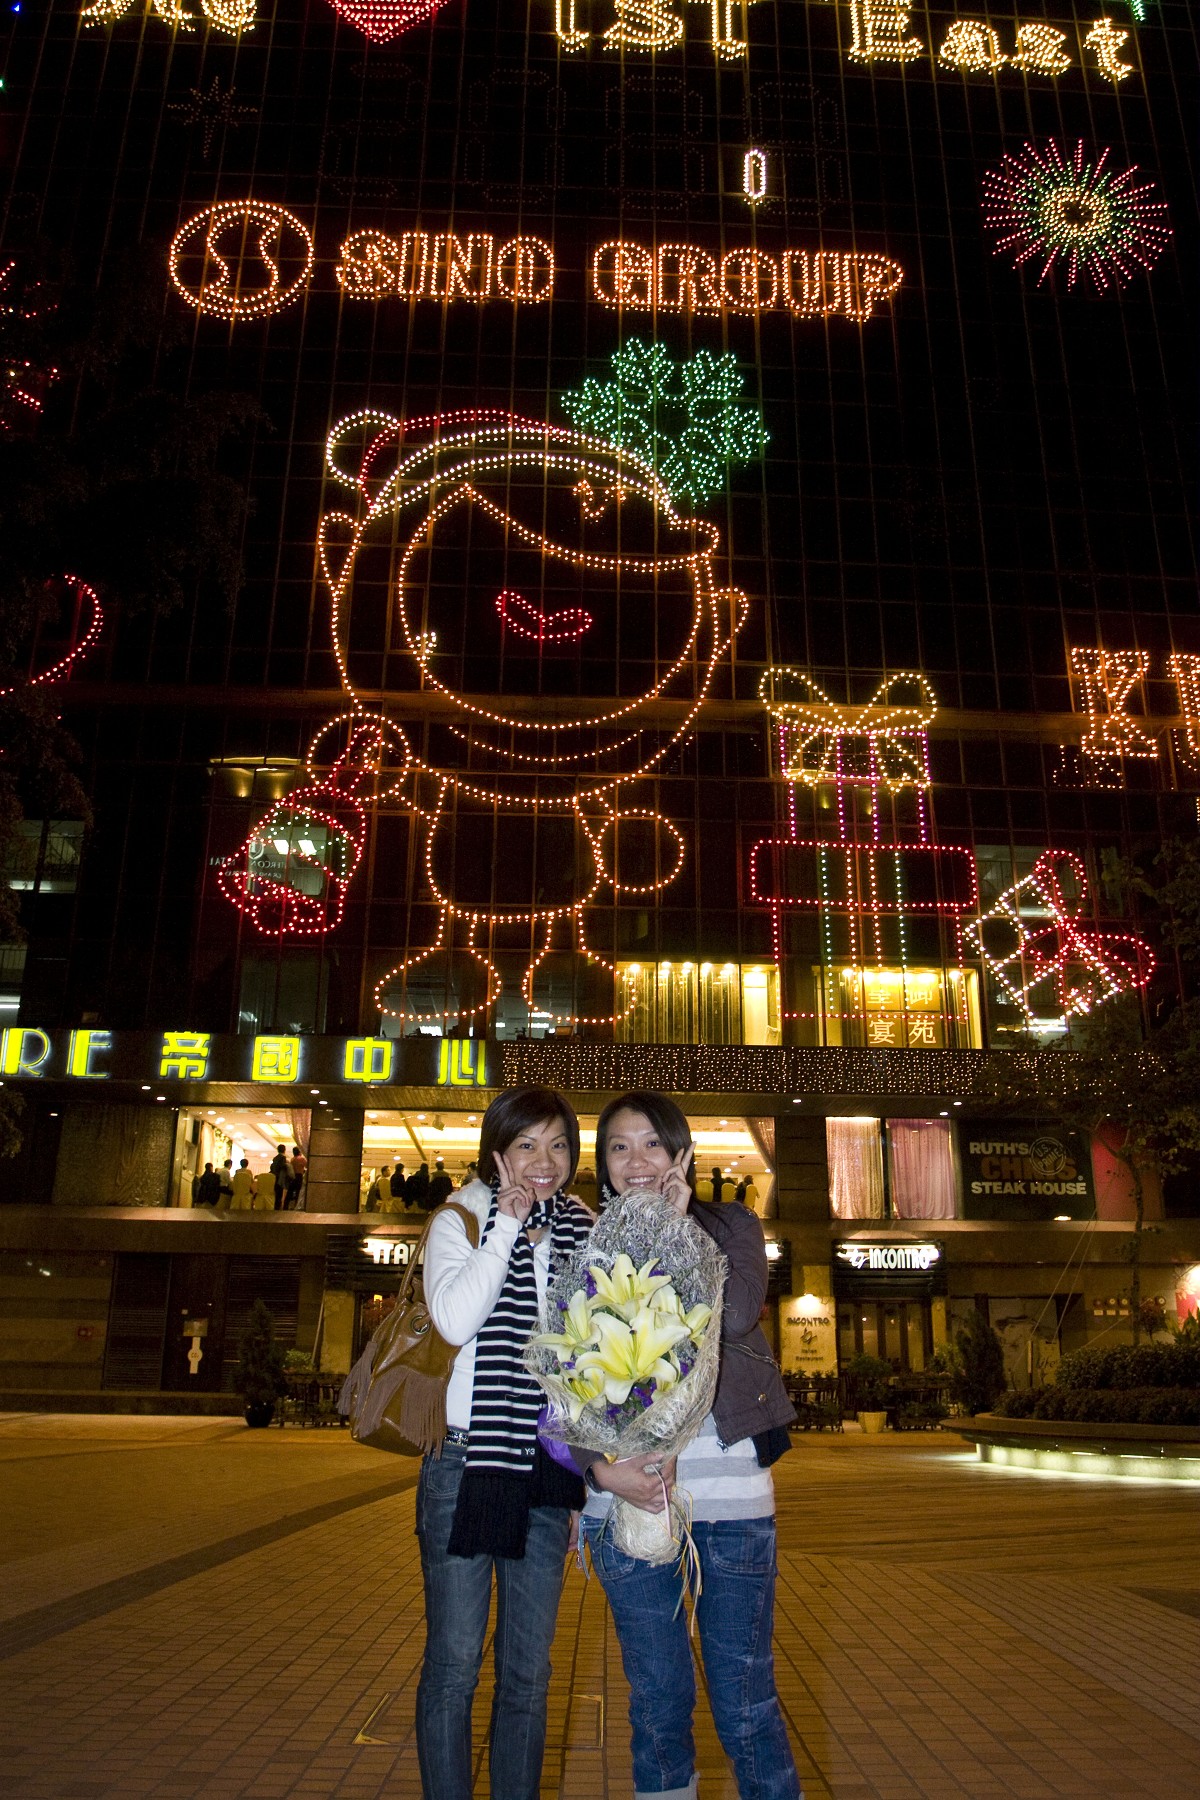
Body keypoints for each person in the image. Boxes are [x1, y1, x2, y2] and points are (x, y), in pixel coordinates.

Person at [574, 1091, 800, 1800]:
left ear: (682, 1154)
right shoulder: (586, 1243)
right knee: (658, 1704)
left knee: (745, 1701)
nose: (636, 1160)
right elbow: (559, 1382)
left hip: (730, 1499)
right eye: (619, 1147)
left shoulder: (731, 1225)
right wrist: (599, 1473)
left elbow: (736, 1314)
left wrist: (675, 1234)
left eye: (652, 1143)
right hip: (632, 1506)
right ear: (604, 1164)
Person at [417, 1087, 594, 1800]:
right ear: (497, 1151)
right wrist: (506, 1228)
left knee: (528, 1671)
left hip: (545, 1471)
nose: (543, 1162)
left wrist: (581, 1487)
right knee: (455, 1664)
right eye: (526, 1145)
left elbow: (583, 1364)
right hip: (465, 1464)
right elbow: (455, 1322)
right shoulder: (459, 1219)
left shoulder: (580, 1232)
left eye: (558, 1145)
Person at [269, 1144, 289, 1210]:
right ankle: (278, 1207)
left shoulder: (275, 1158)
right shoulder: (283, 1157)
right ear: (284, 1150)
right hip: (280, 1177)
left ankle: (275, 1206)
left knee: (276, 1192)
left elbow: (272, 1167)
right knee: (279, 1193)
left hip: (274, 1177)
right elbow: (282, 1166)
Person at [287, 1144, 307, 1210]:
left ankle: (287, 1206)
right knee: (298, 1192)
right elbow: (307, 1166)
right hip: (299, 1176)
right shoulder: (301, 1159)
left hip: (293, 1176)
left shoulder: (292, 1159)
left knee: (290, 1192)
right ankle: (297, 1205)